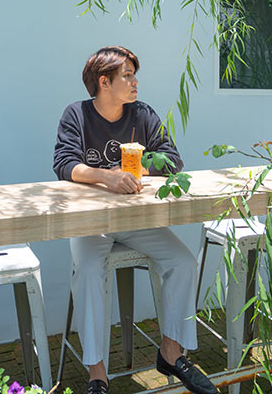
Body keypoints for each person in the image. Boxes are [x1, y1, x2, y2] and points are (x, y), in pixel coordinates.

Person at [53, 45, 219, 394]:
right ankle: (97, 374)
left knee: (183, 262)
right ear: (104, 82)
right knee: (88, 271)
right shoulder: (77, 115)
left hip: (135, 220)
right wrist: (106, 176)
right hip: (91, 224)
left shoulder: (142, 114)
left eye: (133, 75)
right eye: (127, 76)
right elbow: (64, 164)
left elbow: (172, 159)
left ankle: (171, 354)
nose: (135, 82)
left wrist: (139, 167)